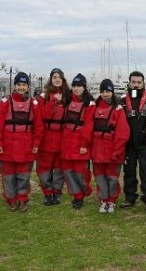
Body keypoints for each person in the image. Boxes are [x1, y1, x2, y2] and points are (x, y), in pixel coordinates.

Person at [0, 72, 44, 212]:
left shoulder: (34, 104)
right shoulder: (4, 102)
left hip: (26, 145)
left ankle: (22, 199)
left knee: (24, 175)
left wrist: (36, 144)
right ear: (15, 86)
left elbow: (39, 127)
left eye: (24, 85)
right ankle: (11, 199)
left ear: (28, 86)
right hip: (7, 145)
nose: (21, 87)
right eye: (19, 85)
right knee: (8, 176)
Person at [120, 71, 146, 212]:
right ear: (129, 83)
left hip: (145, 143)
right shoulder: (122, 100)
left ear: (143, 83)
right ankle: (130, 197)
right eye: (133, 82)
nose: (136, 85)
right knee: (129, 171)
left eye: (139, 82)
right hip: (128, 144)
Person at [91, 79, 130, 213]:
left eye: (108, 91)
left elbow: (123, 132)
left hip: (112, 149)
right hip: (97, 148)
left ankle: (112, 200)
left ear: (112, 92)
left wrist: (117, 150)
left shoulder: (118, 109)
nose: (105, 94)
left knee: (112, 177)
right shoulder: (94, 107)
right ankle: (103, 200)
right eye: (102, 91)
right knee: (99, 176)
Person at [35, 68, 70, 206]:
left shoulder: (68, 95)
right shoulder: (44, 97)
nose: (57, 79)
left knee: (59, 168)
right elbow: (44, 115)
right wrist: (53, 101)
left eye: (59, 77)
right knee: (44, 168)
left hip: (62, 136)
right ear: (51, 79)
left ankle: (57, 193)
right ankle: (47, 193)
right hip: (47, 137)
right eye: (54, 77)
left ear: (63, 79)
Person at [61, 73, 95, 210]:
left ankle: (83, 191)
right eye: (74, 85)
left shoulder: (89, 104)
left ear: (84, 87)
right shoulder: (67, 100)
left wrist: (84, 144)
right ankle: (77, 195)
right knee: (68, 171)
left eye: (79, 86)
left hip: (80, 140)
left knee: (80, 172)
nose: (76, 88)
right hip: (67, 140)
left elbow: (89, 125)